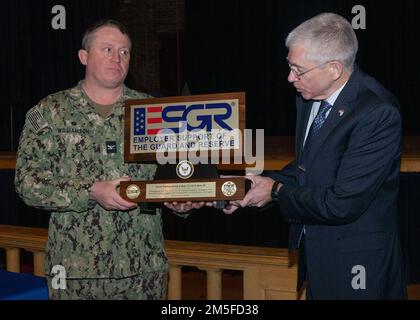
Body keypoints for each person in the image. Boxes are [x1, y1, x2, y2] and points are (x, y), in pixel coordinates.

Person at [227, 13, 406, 299]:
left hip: (357, 264)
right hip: (317, 255)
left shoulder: (377, 113)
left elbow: (341, 204)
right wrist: (256, 184)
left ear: (334, 69)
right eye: (289, 66)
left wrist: (275, 191)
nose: (290, 78)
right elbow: (307, 166)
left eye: (298, 70)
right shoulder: (309, 96)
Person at [14, 19, 195, 299]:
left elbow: (173, 175)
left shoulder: (151, 111)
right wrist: (91, 191)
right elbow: (27, 183)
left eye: (124, 51)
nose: (117, 58)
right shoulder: (50, 112)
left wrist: (181, 199)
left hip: (143, 269)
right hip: (75, 271)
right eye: (107, 49)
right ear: (83, 56)